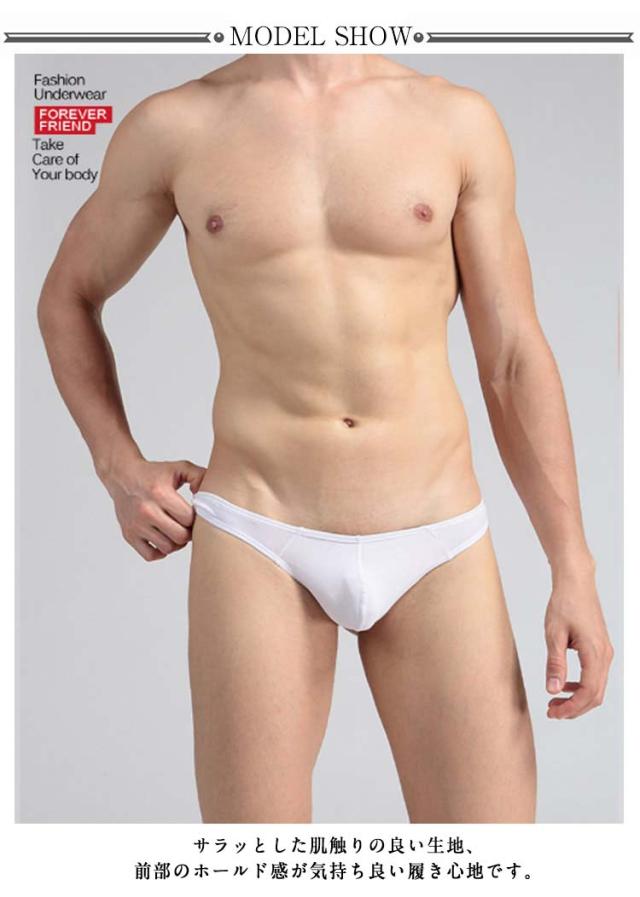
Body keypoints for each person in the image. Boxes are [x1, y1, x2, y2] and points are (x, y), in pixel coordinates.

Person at [37, 53, 614, 823]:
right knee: (255, 867)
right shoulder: (177, 126)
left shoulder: (455, 121)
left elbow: (511, 357)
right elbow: (67, 294)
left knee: (489, 863)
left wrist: (573, 564)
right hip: (259, 531)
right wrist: (118, 466)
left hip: (435, 530)